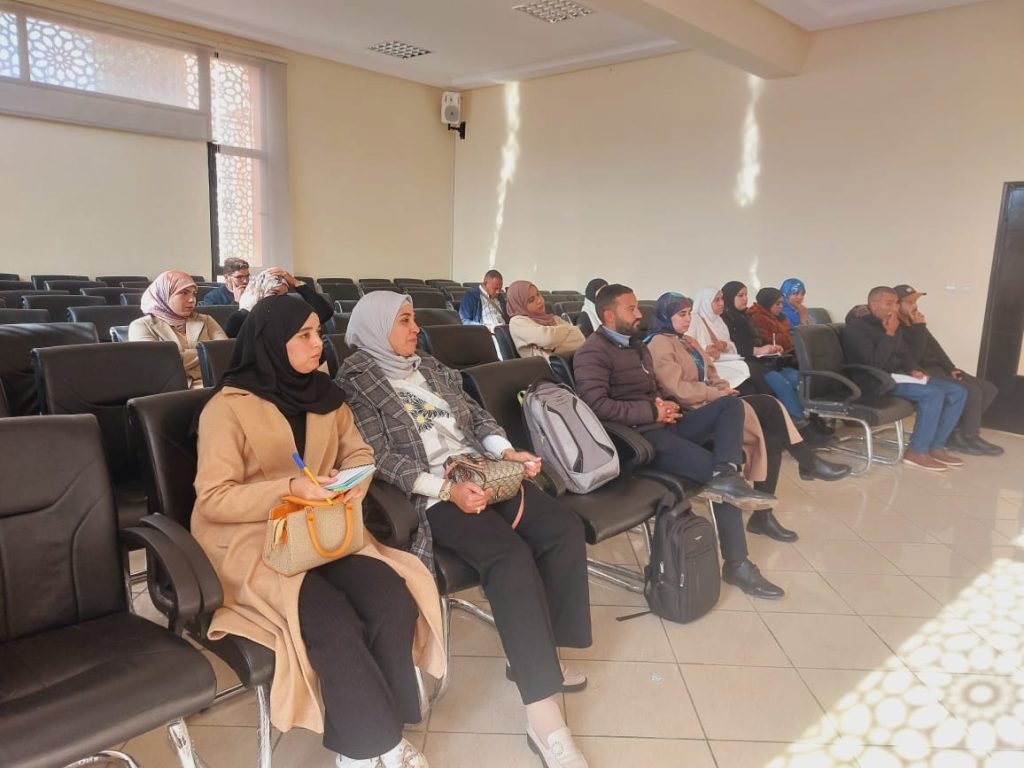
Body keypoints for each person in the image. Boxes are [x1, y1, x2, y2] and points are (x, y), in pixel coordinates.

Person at [339, 291, 593, 768]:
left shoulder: (429, 366)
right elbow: (379, 457)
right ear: (376, 327)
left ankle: (541, 654)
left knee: (562, 528)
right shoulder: (355, 382)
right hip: (432, 492)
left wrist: (505, 451)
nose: (416, 329)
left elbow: (476, 416)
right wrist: (445, 489)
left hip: (481, 470)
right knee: (509, 556)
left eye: (414, 319)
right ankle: (544, 717)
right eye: (404, 321)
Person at [191, 295, 445, 768]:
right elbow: (214, 499)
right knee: (333, 621)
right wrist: (290, 488)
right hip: (256, 541)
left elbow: (360, 453)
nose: (318, 344)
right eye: (304, 335)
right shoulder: (227, 409)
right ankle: (373, 747)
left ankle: (369, 737)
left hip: (324, 528)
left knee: (391, 596)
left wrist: (351, 482)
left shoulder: (326, 396)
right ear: (272, 343)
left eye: (318, 333)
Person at [573, 284, 784, 599]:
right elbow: (595, 406)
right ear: (608, 315)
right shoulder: (592, 352)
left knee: (729, 406)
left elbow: (651, 388)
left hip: (663, 424)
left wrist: (665, 405)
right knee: (715, 473)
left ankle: (727, 472)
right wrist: (652, 411)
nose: (638, 314)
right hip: (637, 439)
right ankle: (737, 564)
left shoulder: (634, 345)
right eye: (630, 309)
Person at [645, 292, 849, 541]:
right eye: (681, 314)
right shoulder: (658, 343)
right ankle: (807, 462)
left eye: (689, 314)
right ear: (665, 316)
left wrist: (722, 388)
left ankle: (765, 515)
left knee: (771, 429)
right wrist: (716, 394)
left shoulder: (688, 341)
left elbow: (712, 373)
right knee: (766, 405)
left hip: (713, 404)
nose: (688, 319)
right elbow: (676, 389)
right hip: (690, 412)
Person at [843, 286, 968, 471]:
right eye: (889, 303)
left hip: (897, 377)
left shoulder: (890, 322)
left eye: (896, 303)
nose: (894, 308)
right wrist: (889, 334)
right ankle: (917, 451)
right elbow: (874, 363)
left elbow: (904, 352)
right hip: (874, 381)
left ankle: (936, 446)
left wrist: (913, 369)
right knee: (933, 394)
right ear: (873, 305)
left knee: (958, 392)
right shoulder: (856, 328)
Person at [894, 284, 1001, 456]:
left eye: (915, 302)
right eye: (910, 302)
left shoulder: (914, 320)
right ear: (897, 304)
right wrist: (920, 327)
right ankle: (970, 436)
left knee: (989, 389)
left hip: (939, 367)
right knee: (972, 391)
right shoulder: (895, 326)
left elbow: (935, 347)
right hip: (922, 370)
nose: (915, 306)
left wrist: (951, 367)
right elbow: (913, 358)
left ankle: (957, 434)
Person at [720, 281, 808, 426]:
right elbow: (732, 346)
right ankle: (799, 423)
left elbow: (759, 340)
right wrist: (758, 350)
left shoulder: (745, 316)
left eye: (746, 295)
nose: (745, 299)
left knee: (799, 379)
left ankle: (809, 419)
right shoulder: (726, 319)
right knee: (782, 383)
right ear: (730, 297)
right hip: (746, 362)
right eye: (740, 295)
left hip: (764, 360)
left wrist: (770, 348)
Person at [128, 270, 227, 388]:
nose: (192, 300)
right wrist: (206, 354)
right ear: (165, 294)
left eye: (194, 294)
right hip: (174, 390)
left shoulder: (206, 320)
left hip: (217, 382)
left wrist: (180, 357)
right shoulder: (141, 326)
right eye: (184, 293)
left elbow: (225, 353)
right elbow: (159, 366)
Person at [224, 267, 332, 339]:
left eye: (284, 294)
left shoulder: (287, 314)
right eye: (274, 293)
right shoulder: (240, 318)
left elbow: (324, 313)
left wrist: (296, 283)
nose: (280, 299)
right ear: (260, 293)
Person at [688, 288, 751, 389]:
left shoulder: (719, 321)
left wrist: (724, 345)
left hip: (722, 361)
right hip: (706, 366)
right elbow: (686, 344)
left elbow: (730, 345)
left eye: (722, 299)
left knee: (748, 371)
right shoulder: (693, 319)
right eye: (716, 300)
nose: (722, 303)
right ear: (706, 302)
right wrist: (705, 348)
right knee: (746, 373)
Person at [507, 280, 586, 359]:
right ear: (519, 304)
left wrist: (553, 347)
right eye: (531, 300)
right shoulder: (517, 321)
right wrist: (569, 329)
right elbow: (548, 339)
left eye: (538, 294)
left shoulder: (551, 318)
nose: (539, 301)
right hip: (550, 366)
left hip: (573, 360)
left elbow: (580, 338)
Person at [748, 288, 795, 355]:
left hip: (786, 351)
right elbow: (772, 340)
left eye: (782, 303)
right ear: (768, 303)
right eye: (777, 304)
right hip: (772, 356)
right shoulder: (758, 317)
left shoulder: (781, 317)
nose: (781, 306)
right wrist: (791, 338)